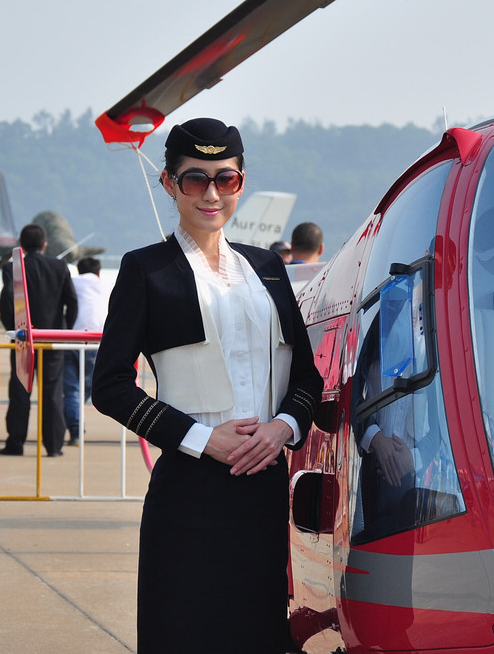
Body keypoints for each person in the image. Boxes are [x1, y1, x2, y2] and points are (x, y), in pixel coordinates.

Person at [91, 117, 323, 653]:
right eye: (195, 179)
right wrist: (201, 439)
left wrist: (282, 428)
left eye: (226, 179)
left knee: (258, 633)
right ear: (169, 184)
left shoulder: (268, 268)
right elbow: (110, 385)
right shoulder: (146, 270)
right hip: (188, 494)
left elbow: (307, 376)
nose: (211, 194)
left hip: (264, 490)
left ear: (241, 182)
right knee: (183, 632)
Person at [0, 223, 78, 457]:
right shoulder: (60, 266)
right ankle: (53, 445)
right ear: (45, 245)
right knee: (52, 393)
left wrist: (13, 329)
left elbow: (7, 302)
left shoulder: (13, 268)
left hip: (23, 337)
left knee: (20, 391)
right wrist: (65, 329)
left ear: (21, 246)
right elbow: (72, 302)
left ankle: (16, 443)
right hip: (52, 338)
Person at [62, 256, 108, 446]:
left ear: (79, 270)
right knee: (90, 386)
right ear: (99, 272)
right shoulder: (105, 285)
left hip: (69, 339)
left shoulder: (72, 282)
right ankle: (75, 414)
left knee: (71, 388)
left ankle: (75, 430)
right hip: (96, 340)